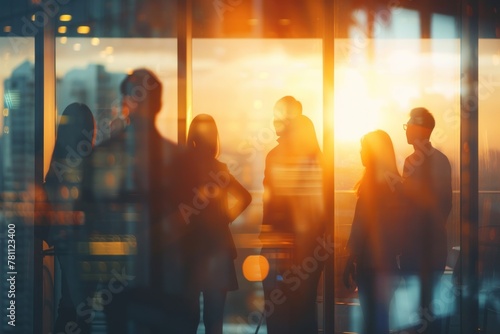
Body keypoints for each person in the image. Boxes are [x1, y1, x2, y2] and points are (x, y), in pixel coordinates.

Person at [83, 68, 180, 333]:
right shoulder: (176, 160)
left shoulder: (105, 156)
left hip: (139, 280)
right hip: (141, 281)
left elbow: (92, 222)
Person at [175, 113, 252, 334]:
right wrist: (226, 217)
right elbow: (245, 198)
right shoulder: (220, 169)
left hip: (190, 250)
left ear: (193, 138)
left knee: (188, 319)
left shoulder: (182, 171)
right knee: (214, 320)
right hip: (218, 248)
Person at [260, 95, 325, 334]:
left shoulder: (276, 156)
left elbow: (273, 204)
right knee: (304, 312)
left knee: (278, 313)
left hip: (280, 247)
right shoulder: (317, 158)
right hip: (308, 249)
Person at [343, 130, 403, 334]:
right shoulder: (395, 186)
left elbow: (361, 226)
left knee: (371, 321)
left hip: (370, 265)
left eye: (363, 148)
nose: (360, 152)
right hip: (390, 264)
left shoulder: (371, 187)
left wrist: (349, 259)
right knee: (382, 320)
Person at [43, 102, 96, 334]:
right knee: (76, 309)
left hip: (70, 249)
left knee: (69, 307)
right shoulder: (85, 168)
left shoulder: (58, 169)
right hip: (81, 250)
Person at [400, 107, 452, 333]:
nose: (406, 129)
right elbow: (446, 204)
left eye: (409, 125)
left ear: (420, 129)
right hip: (434, 244)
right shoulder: (441, 160)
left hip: (415, 245)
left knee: (415, 304)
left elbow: (406, 206)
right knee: (430, 304)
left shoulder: (411, 163)